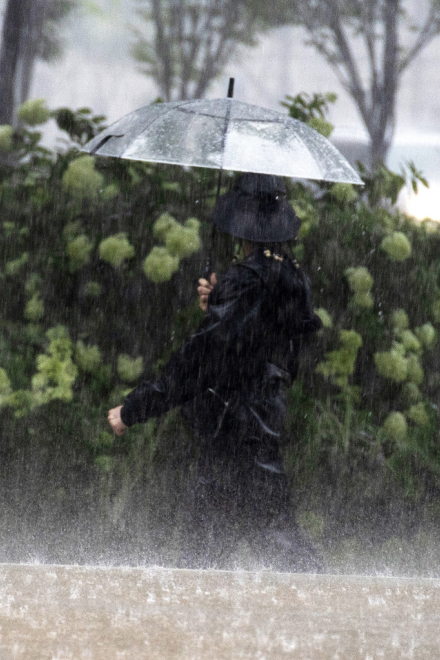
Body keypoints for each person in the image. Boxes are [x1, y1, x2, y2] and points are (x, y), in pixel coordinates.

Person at [107, 173, 324, 573]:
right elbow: (271, 347)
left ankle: (336, 614)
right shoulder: (291, 276)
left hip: (237, 427)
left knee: (243, 549)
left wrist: (135, 407)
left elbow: (199, 359)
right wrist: (222, 305)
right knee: (226, 548)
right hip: (259, 424)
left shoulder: (247, 280)